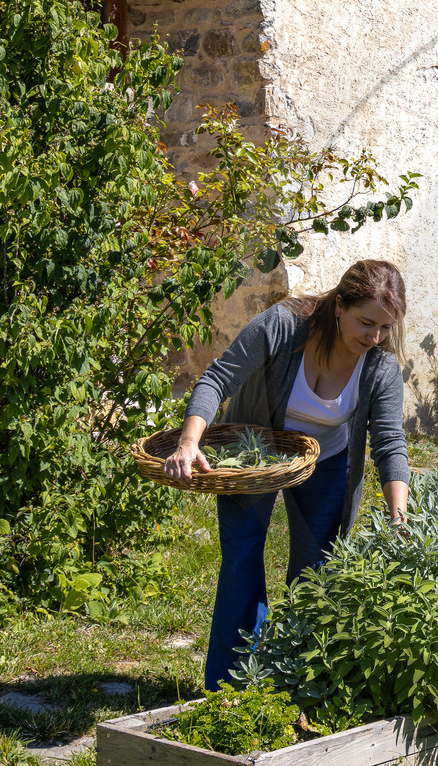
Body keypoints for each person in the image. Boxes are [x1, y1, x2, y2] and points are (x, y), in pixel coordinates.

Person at [163, 259, 411, 690]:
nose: (375, 338)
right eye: (367, 323)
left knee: (315, 575)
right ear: (339, 306)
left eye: (386, 328)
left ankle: (295, 686)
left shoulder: (380, 368)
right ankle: (229, 689)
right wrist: (189, 443)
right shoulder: (282, 326)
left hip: (327, 460)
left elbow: (389, 443)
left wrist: (398, 516)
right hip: (256, 454)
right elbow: (217, 379)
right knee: (241, 560)